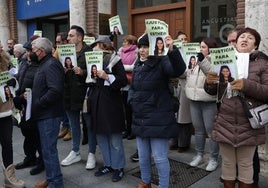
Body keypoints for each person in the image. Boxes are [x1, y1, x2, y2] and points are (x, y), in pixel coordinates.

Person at [204, 27, 268, 188]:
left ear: (256, 45)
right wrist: (209, 82)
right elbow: (213, 91)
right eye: (242, 37)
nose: (245, 39)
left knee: (246, 165)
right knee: (227, 164)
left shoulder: (262, 63)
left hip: (249, 123)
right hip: (225, 121)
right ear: (236, 42)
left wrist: (246, 85)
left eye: (251, 38)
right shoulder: (224, 59)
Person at [129, 33, 186, 188]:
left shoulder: (162, 61)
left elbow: (178, 70)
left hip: (158, 117)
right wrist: (131, 99)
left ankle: (163, 186)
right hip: (140, 116)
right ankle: (145, 182)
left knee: (160, 157)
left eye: (145, 46)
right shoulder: (138, 64)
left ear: (153, 47)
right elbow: (133, 87)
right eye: (140, 47)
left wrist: (172, 50)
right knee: (142, 156)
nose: (142, 50)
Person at [88, 36, 127, 182]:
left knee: (115, 138)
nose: (94, 48)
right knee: (101, 137)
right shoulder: (92, 60)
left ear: (103, 46)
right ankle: (109, 164)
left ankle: (119, 167)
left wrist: (107, 77)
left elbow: (122, 81)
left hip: (111, 103)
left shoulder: (115, 60)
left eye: (96, 45)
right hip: (97, 102)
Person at [30, 37, 64, 188]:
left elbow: (55, 90)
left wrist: (39, 103)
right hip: (44, 114)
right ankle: (51, 178)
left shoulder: (50, 64)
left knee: (49, 150)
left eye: (34, 50)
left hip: (49, 115)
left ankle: (56, 183)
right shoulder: (44, 63)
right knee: (46, 149)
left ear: (42, 51)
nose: (31, 53)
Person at [185, 37, 219, 172]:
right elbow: (186, 74)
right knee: (198, 130)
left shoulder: (213, 60)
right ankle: (199, 155)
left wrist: (202, 60)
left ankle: (213, 158)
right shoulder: (194, 59)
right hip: (194, 100)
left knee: (211, 131)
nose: (201, 49)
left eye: (204, 47)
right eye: (200, 47)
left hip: (208, 101)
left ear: (210, 49)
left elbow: (212, 74)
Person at [61, 25, 92, 167]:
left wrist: (83, 72)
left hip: (85, 95)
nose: (68, 38)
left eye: (71, 35)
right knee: (74, 125)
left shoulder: (89, 51)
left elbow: (95, 73)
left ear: (80, 37)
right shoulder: (65, 52)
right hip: (69, 94)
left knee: (89, 125)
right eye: (68, 36)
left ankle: (91, 153)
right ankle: (75, 152)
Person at [13, 40, 45, 176]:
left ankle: (42, 161)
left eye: (30, 51)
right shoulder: (25, 64)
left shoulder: (41, 67)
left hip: (34, 107)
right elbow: (20, 80)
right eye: (27, 51)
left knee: (37, 136)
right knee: (27, 134)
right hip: (23, 106)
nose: (28, 54)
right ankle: (30, 157)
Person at [0, 40, 25, 187]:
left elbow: (15, 81)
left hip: (5, 111)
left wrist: (12, 84)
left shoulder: (6, 61)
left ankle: (10, 178)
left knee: (7, 144)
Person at [169, 31, 193, 153]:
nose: (183, 41)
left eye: (185, 39)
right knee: (174, 116)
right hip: (174, 87)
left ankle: (183, 144)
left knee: (184, 117)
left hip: (185, 86)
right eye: (180, 39)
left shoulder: (191, 53)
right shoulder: (172, 52)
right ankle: (174, 141)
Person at [118, 34, 138, 140]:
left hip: (131, 84)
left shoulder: (136, 52)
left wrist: (122, 67)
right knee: (125, 110)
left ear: (131, 43)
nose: (123, 43)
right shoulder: (120, 51)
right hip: (122, 84)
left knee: (131, 109)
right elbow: (115, 63)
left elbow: (134, 67)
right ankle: (126, 129)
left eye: (126, 41)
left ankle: (132, 130)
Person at [53, 32, 72, 142]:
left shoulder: (71, 50)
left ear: (65, 41)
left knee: (69, 108)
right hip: (61, 82)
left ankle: (70, 129)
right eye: (56, 42)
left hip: (71, 84)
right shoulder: (58, 50)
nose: (57, 44)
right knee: (62, 107)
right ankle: (65, 126)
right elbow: (54, 62)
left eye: (59, 42)